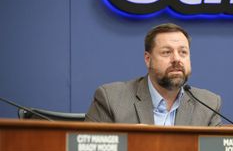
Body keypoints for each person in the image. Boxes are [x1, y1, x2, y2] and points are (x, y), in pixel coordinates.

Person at [85, 23, 222, 126]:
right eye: (166, 52)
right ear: (148, 59)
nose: (176, 59)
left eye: (183, 52)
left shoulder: (208, 104)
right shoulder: (112, 99)